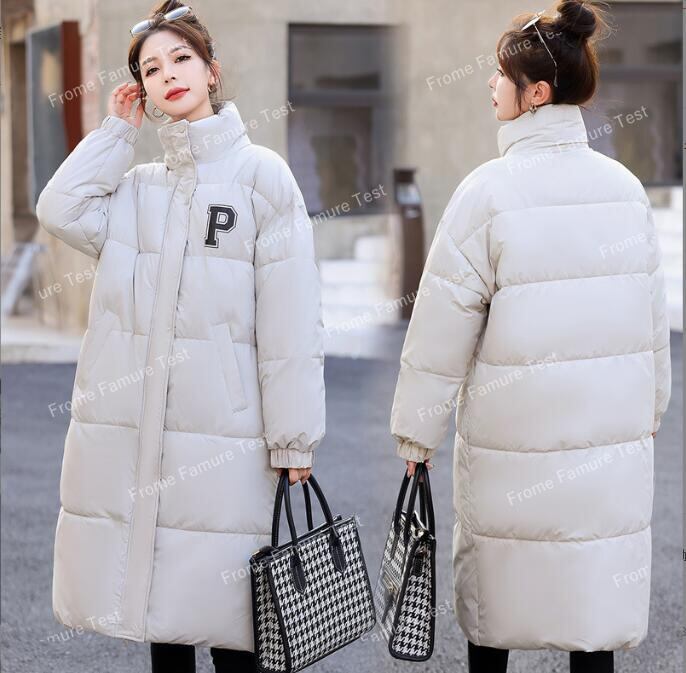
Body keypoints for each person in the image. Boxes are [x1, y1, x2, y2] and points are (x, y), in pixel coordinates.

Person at [35, 2, 325, 672]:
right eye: (150, 69)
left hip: (230, 435)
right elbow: (60, 207)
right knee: (163, 619)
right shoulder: (137, 190)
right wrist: (116, 132)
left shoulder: (261, 177)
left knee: (233, 621)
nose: (168, 74)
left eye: (181, 59)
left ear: (212, 70)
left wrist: (294, 437)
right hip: (146, 434)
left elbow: (292, 320)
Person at [389, 1, 671, 672]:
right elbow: (650, 321)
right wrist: (651, 408)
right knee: (591, 612)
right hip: (604, 448)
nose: (490, 84)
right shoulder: (625, 190)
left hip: (509, 451)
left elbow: (441, 326)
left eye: (501, 74)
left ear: (537, 93)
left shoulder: (487, 194)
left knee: (496, 614)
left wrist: (416, 434)